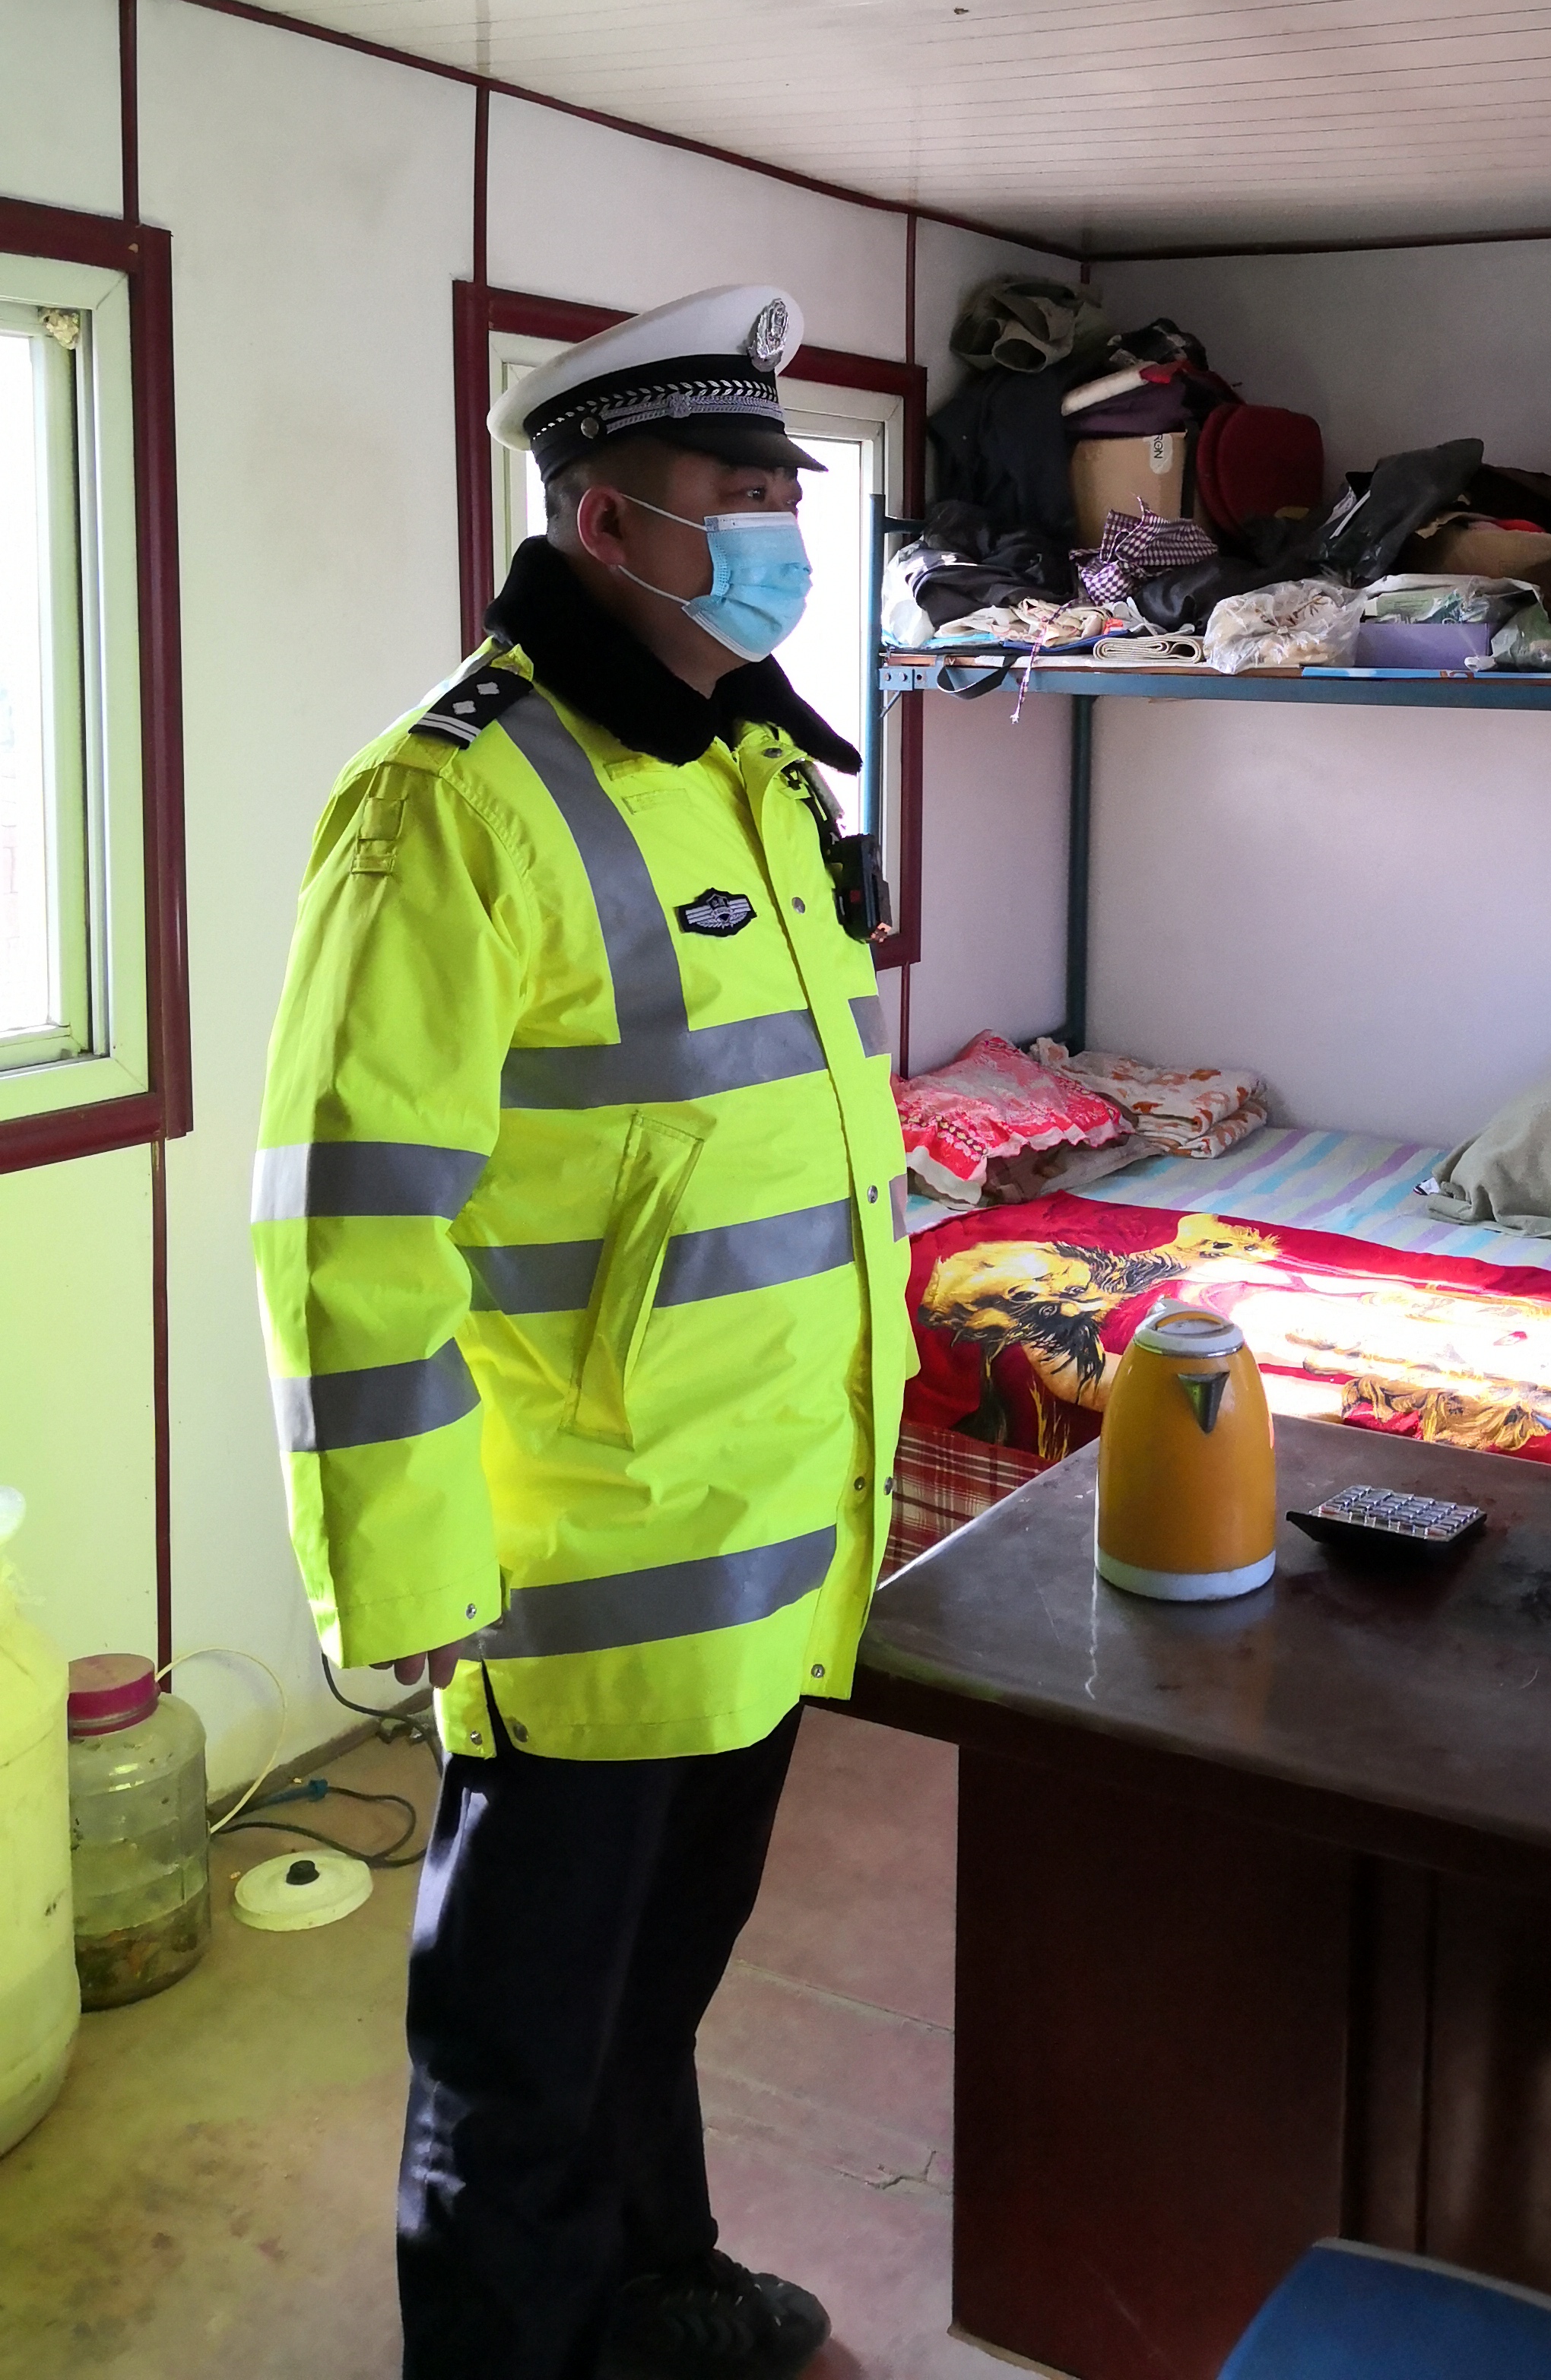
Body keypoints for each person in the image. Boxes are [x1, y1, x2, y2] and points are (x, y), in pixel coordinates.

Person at [252, 284, 913, 2380]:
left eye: (794, 488)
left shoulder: (755, 772)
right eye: (743, 488)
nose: (784, 525)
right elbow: (351, 1223)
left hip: (760, 1534)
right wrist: (404, 1571)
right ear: (607, 519)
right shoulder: (452, 800)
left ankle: (653, 2288)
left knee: (655, 1988)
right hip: (574, 1565)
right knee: (518, 2059)